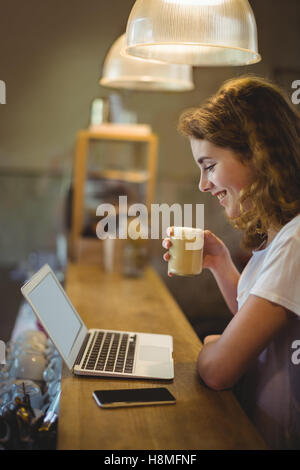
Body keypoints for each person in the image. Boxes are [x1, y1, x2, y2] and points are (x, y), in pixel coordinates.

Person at [162, 75, 300, 450]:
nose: (204, 184)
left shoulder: (295, 241)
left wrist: (214, 347)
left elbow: (218, 371)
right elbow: (256, 319)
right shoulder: (283, 234)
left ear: (256, 153)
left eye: (209, 165)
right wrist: (222, 264)